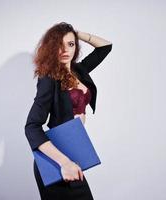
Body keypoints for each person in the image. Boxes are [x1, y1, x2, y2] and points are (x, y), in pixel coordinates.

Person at [24, 22, 112, 200]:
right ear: (51, 48)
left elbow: (105, 47)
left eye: (70, 44)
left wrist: (76, 34)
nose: (65, 49)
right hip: (57, 159)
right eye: (59, 45)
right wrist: (64, 162)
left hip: (73, 152)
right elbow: (31, 127)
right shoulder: (48, 79)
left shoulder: (78, 70)